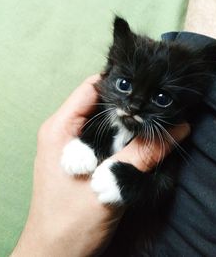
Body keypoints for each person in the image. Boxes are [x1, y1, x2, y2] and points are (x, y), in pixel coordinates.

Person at [10, 74, 189, 257]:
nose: (134, 106)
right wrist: (87, 143)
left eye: (161, 99)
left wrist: (129, 183)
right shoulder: (100, 119)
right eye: (124, 85)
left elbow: (162, 186)